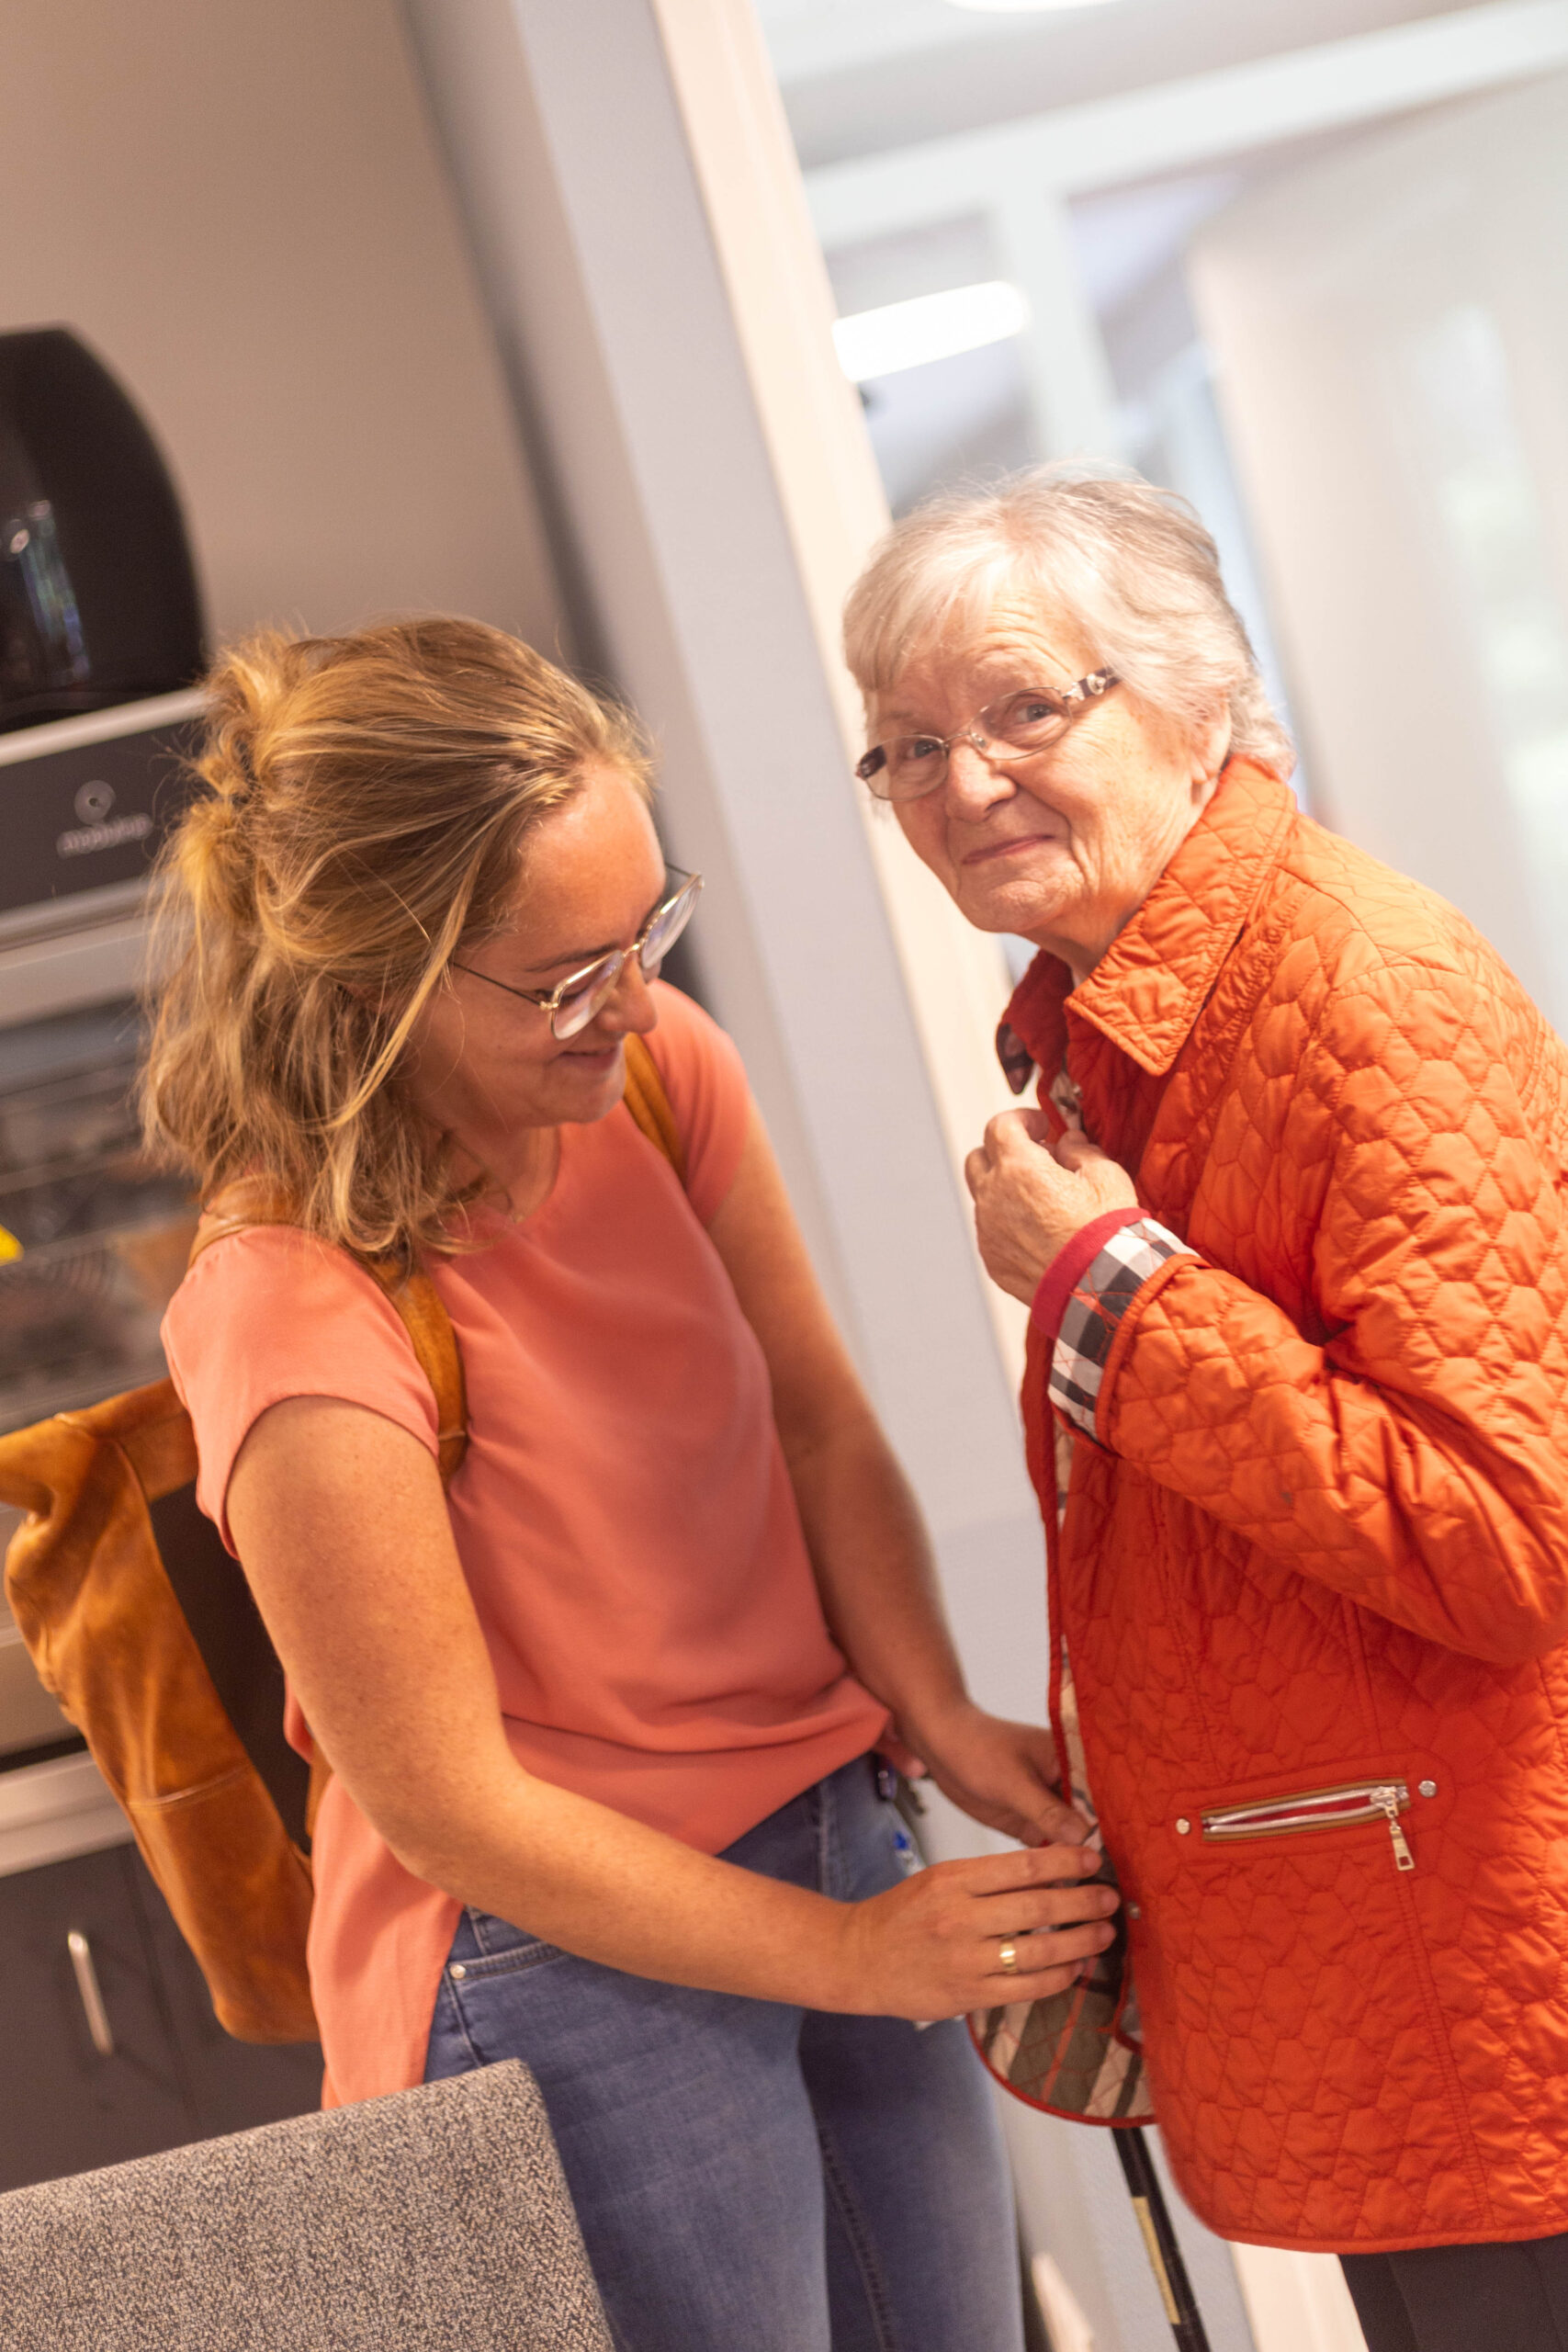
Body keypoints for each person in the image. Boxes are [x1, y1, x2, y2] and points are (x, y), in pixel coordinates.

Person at [142, 617, 1118, 2352]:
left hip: (833, 1833)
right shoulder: (291, 1303)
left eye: (646, 931)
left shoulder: (659, 1076)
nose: (635, 1001)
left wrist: (936, 1711)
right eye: (563, 978)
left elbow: (817, 1429)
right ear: (374, 982)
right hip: (552, 1954)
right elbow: (452, 1812)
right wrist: (853, 1957)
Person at [842, 467, 1568, 2352]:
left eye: (1024, 708)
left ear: (1198, 700)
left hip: (1482, 1981)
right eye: (906, 744)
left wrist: (1112, 1293)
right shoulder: (1124, 1023)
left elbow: (1498, 1542)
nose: (962, 783)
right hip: (1372, 1968)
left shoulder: (1363, 993)